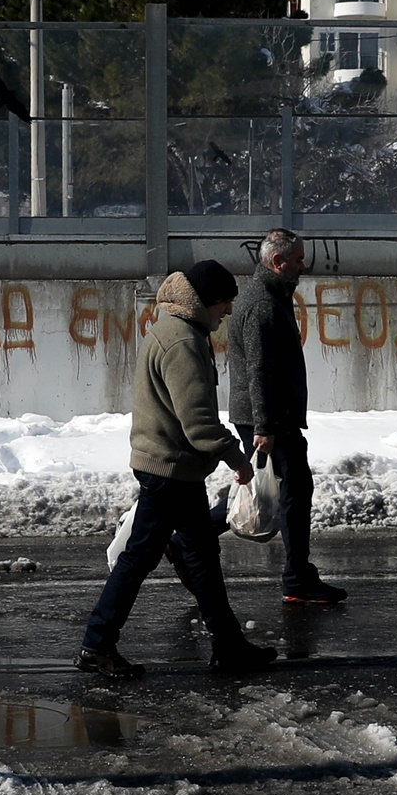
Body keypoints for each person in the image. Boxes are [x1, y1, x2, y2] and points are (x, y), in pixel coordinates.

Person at [76, 260, 278, 680]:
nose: (227, 312)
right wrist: (237, 459)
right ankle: (97, 644)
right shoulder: (182, 342)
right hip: (169, 469)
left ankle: (229, 645)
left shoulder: (178, 331)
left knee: (201, 558)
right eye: (224, 303)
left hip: (174, 467)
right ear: (205, 301)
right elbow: (198, 423)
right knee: (139, 560)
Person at [228, 228, 347, 604]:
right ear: (278, 262)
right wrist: (264, 427)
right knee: (288, 490)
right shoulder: (262, 304)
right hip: (269, 418)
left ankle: (299, 574)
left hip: (272, 416)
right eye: (297, 259)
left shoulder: (271, 296)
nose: (302, 265)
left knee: (272, 488)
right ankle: (297, 577)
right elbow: (258, 371)